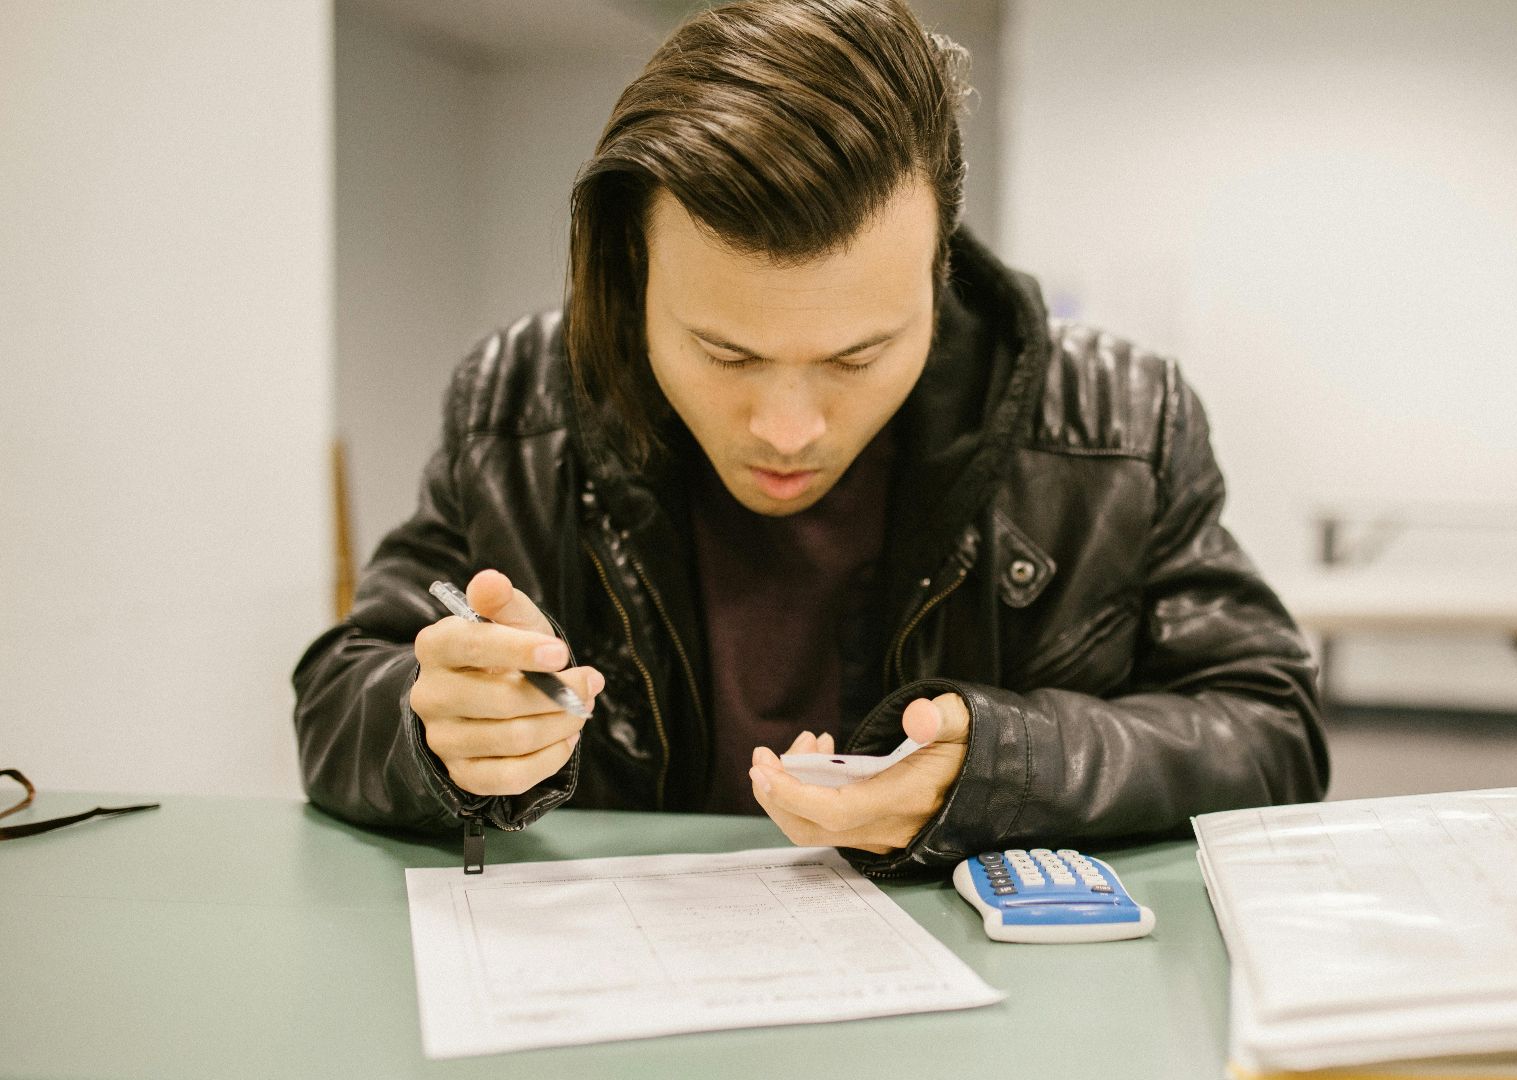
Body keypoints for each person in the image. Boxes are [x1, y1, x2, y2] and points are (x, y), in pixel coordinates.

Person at [293, 0, 1328, 877]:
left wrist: (1006, 770)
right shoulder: (516, 400)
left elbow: (1270, 728)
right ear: (631, 283)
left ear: (939, 282)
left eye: (858, 356)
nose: (787, 431)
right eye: (724, 353)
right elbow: (344, 692)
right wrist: (440, 728)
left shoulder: (1119, 423)